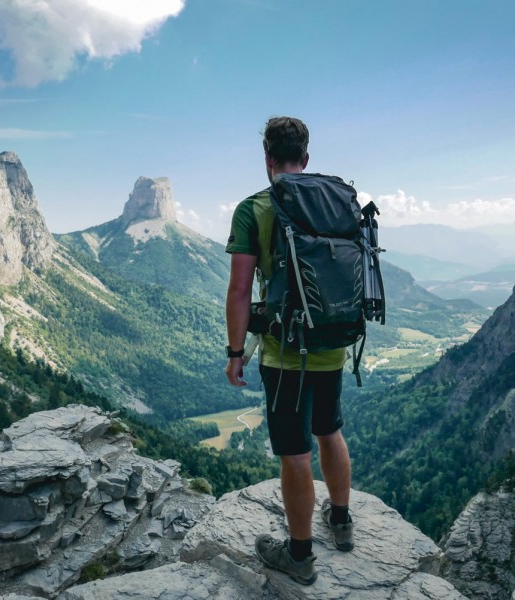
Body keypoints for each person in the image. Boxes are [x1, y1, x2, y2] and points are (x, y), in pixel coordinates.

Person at [224, 116, 354, 585]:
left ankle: (298, 557)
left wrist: (236, 351)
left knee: (295, 452)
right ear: (306, 156)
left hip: (284, 351)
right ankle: (340, 520)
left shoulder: (255, 207)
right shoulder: (335, 199)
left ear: (267, 158)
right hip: (333, 339)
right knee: (330, 429)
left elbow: (240, 289)